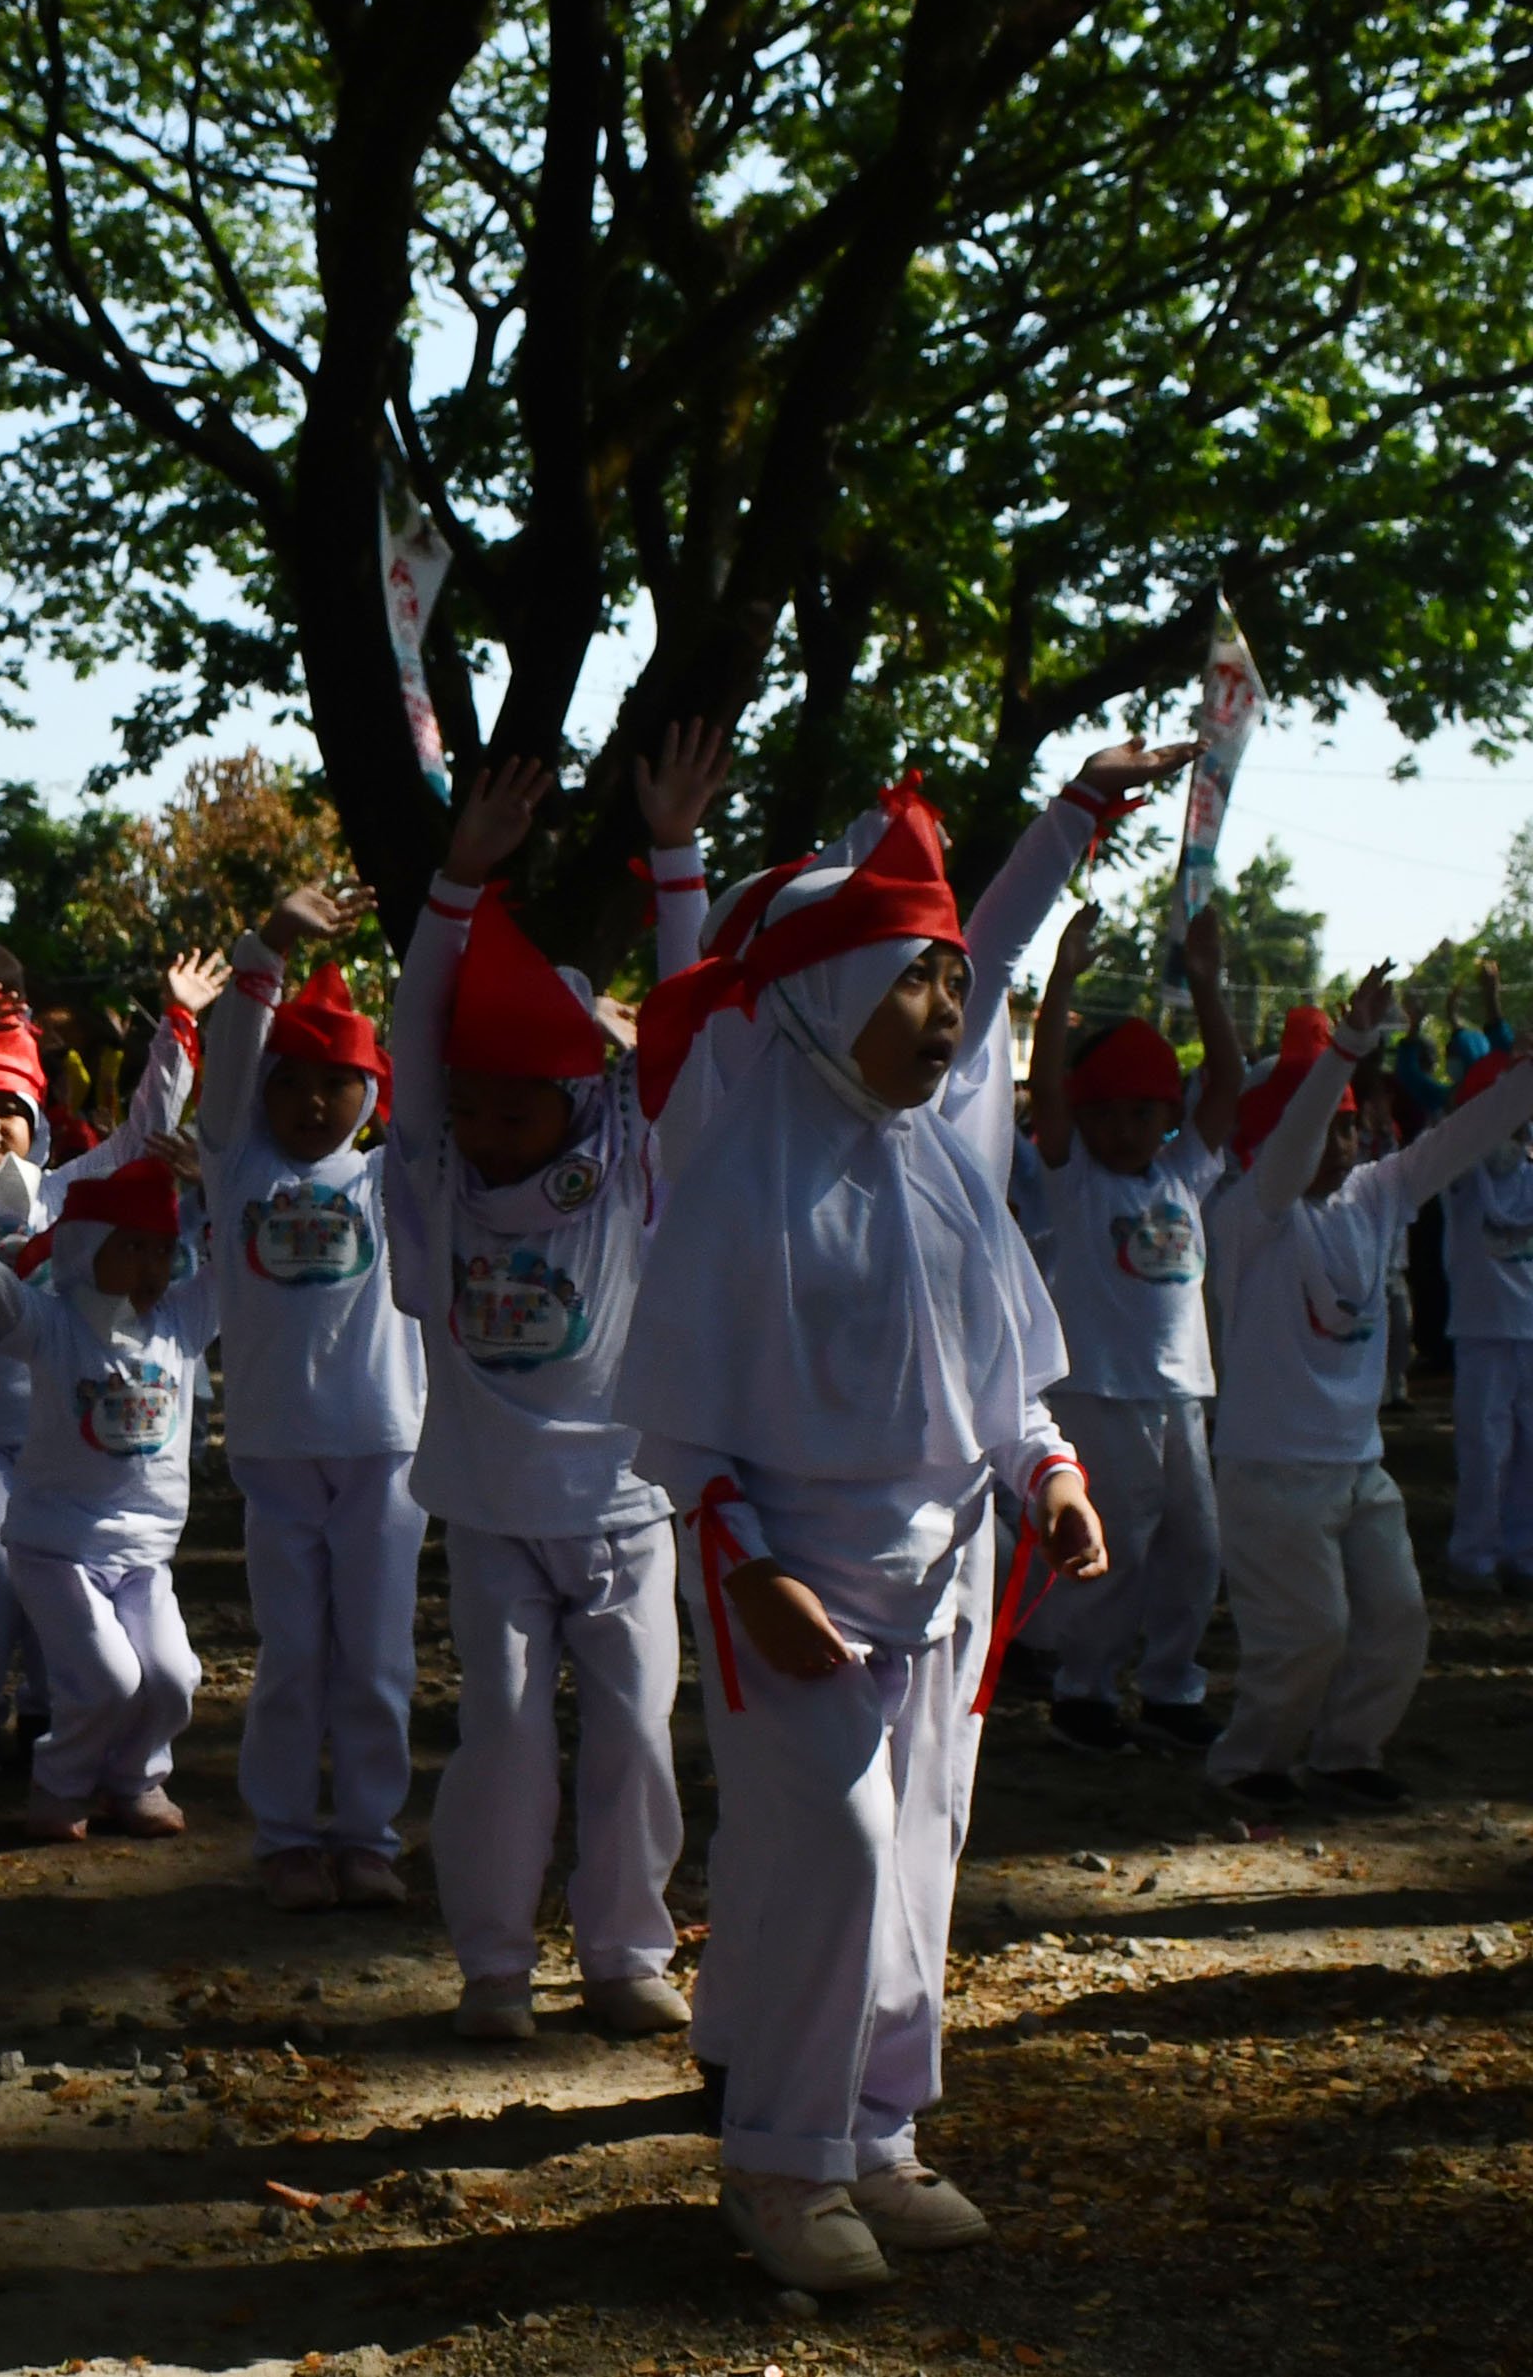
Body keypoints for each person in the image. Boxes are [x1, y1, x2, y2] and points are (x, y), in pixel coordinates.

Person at [622, 748, 1170, 2295]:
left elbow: (1007, 1384)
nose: (951, 1013)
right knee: (838, 1853)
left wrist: (1048, 1477)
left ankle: (876, 2131)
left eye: (954, 985)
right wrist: (747, 1562)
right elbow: (682, 1421)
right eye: (921, 981)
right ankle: (778, 2162)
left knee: (919, 1858)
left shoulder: (944, 1178)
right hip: (794, 1585)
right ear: (834, 985)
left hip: (946, 1578)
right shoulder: (736, 1187)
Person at [385, 736, 720, 2044]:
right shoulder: (438, 1184)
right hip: (489, 1514)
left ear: (581, 1101)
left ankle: (629, 1951)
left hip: (630, 1514)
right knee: (507, 1741)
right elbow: (419, 1038)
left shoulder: (639, 1163)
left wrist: (678, 857)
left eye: (512, 1114)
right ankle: (494, 1966)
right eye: (466, 1106)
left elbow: (688, 1030)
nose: (480, 1130)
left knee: (637, 1736)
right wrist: (456, 888)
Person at [1206, 982, 1533, 1805]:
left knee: (1396, 1624)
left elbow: (1465, 1135)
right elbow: (1288, 1156)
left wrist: (1525, 1080)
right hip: (1270, 1470)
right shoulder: (1250, 1213)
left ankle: (1349, 1751)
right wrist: (1346, 1048)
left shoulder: (1379, 1194)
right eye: (1324, 1127)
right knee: (1309, 1633)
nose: (1340, 1143)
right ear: (1266, 1140)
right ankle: (1252, 1762)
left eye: (1350, 1125)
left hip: (1361, 1467)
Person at [0, 960, 203, 1772]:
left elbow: (142, 1136)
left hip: (62, 1436)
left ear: (38, 1125)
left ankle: (47, 1713)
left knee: (58, 1585)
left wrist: (179, 1028)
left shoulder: (64, 1197)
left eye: (9, 1110)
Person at [196, 888, 430, 1910]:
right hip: (276, 1453)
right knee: (292, 1657)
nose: (313, 1105)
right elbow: (235, 1043)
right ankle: (289, 1835)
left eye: (341, 1085)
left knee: (376, 1659)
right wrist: (274, 940)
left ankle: (367, 1835)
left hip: (386, 1449)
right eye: (292, 1084)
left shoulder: (397, 1178)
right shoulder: (234, 1165)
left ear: (372, 1095)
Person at [1019, 905, 1246, 1751]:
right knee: (1114, 1547)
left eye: (1142, 1113)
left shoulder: (1186, 1170)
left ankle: (1173, 1686)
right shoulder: (1075, 1179)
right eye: (1104, 1112)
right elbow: (1046, 1091)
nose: (1122, 1130)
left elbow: (1224, 1084)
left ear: (1167, 1119)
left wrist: (1206, 985)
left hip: (1181, 1395)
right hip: (1101, 1395)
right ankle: (1083, 1685)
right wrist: (1062, 980)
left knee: (1197, 1549)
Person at [1437, 1032, 1533, 1594]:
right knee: (1485, 1451)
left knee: (1528, 1453)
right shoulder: (1463, 1174)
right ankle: (1473, 1557)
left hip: (1529, 1334)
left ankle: (1523, 1555)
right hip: (1481, 1333)